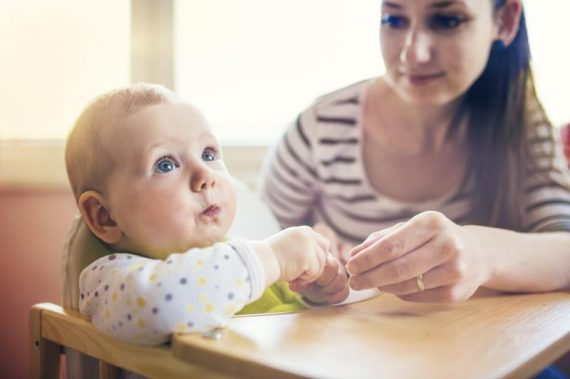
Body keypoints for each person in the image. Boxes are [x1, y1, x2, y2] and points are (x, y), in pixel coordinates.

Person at [261, 0, 570, 305]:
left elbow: (564, 250)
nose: (414, 53)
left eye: (447, 20)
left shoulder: (520, 127)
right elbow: (249, 254)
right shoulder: (321, 128)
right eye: (394, 20)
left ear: (504, 20)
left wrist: (479, 251)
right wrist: (307, 265)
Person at [64, 83, 349, 346]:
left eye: (209, 154)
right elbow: (166, 303)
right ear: (105, 216)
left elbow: (297, 329)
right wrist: (272, 257)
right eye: (165, 164)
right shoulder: (110, 281)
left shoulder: (240, 257)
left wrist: (316, 293)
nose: (206, 175)